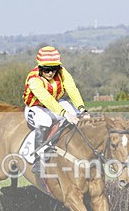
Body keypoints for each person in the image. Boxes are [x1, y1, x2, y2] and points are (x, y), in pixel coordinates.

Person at [22, 45, 90, 175]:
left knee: (75, 115)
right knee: (46, 121)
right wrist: (65, 114)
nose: (50, 73)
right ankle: (38, 159)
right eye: (47, 70)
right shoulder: (33, 79)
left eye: (54, 69)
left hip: (56, 104)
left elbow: (71, 89)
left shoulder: (63, 72)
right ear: (40, 68)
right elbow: (47, 99)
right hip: (36, 107)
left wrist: (82, 110)